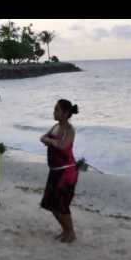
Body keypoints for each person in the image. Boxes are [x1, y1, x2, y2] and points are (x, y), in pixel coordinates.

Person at [40, 99, 79, 243]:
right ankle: (65, 230)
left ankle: (71, 232)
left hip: (66, 172)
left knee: (62, 204)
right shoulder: (55, 126)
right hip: (54, 171)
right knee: (51, 204)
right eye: (54, 109)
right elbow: (42, 137)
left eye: (57, 109)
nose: (54, 112)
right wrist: (50, 141)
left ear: (66, 113)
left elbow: (63, 145)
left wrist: (49, 141)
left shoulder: (69, 129)